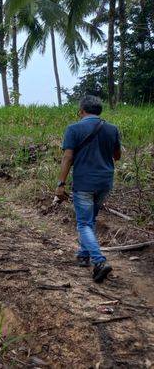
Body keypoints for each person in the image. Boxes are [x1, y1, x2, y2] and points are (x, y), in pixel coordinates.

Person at [56, 95, 121, 283]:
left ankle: (99, 261)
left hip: (84, 183)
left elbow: (68, 158)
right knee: (90, 219)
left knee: (83, 223)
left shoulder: (73, 129)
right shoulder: (112, 129)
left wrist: (61, 184)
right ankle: (84, 255)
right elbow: (117, 156)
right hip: (105, 183)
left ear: (81, 111)